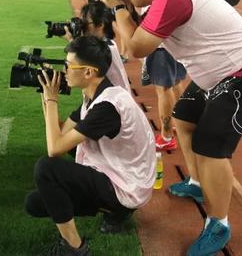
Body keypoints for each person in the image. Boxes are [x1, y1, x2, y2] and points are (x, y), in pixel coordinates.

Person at [98, 0, 242, 256]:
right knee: (184, 118)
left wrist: (118, 9)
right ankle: (197, 181)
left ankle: (219, 223)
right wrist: (126, 4)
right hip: (218, 73)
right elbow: (140, 33)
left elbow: (136, 47)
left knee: (211, 147)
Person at [25, 36, 155, 256]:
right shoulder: (95, 96)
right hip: (116, 173)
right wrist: (45, 95)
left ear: (88, 72)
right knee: (35, 203)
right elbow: (60, 133)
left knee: (46, 168)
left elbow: (53, 149)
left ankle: (75, 248)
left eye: (68, 65)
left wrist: (52, 100)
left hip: (126, 186)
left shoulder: (107, 107)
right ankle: (112, 212)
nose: (64, 70)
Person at [144, 0, 194, 151]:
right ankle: (189, 123)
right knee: (176, 83)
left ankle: (166, 135)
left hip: (161, 35)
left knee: (162, 88)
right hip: (182, 35)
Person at [60, 1, 131, 93]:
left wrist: (72, 40)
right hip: (111, 95)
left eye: (85, 23)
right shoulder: (108, 43)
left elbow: (80, 59)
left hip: (113, 101)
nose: (82, 27)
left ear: (100, 25)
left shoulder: (105, 49)